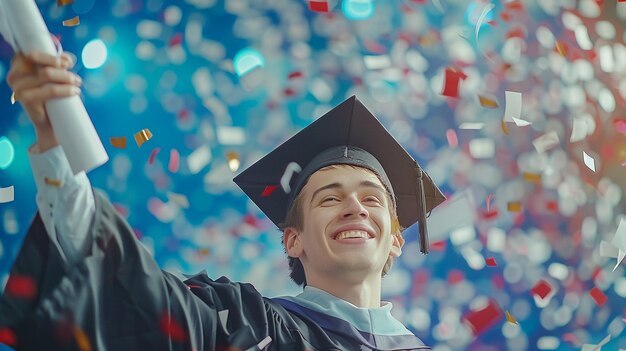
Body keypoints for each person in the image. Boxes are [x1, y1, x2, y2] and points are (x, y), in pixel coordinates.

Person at [0, 51, 446, 350]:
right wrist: (56, 146)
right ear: (293, 241)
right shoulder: (245, 325)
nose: (355, 207)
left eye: (371, 198)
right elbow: (127, 287)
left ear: (395, 240)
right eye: (329, 199)